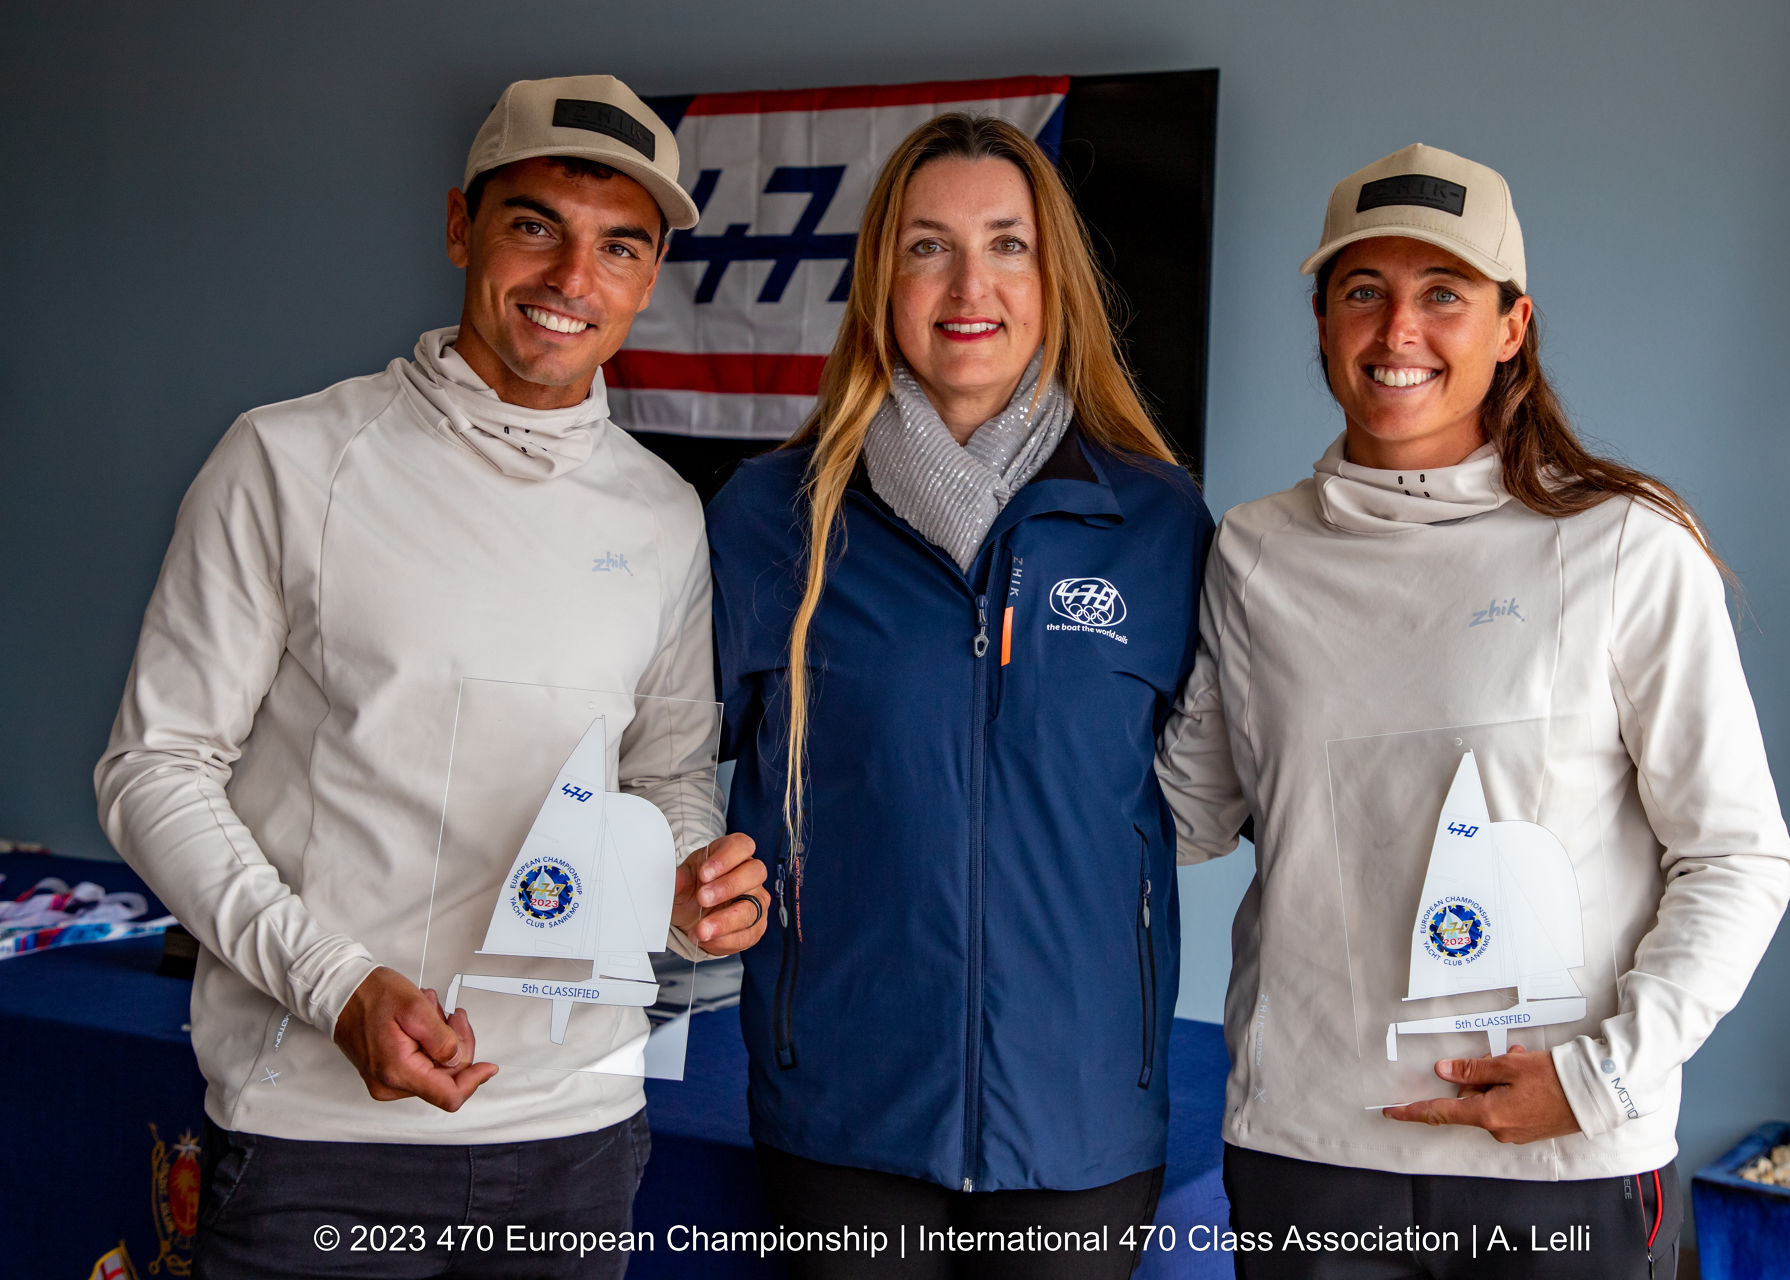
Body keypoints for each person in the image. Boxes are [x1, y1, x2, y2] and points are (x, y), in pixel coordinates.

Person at [94, 74, 769, 1279]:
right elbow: (154, 767)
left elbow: (665, 769)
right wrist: (339, 985)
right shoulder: (291, 460)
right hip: (318, 1133)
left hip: (578, 1134)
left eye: (619, 245)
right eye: (534, 226)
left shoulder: (665, 515)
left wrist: (668, 876)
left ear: (650, 273)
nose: (573, 279)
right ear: (461, 226)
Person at [1156, 143, 1790, 1278]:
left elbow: (1740, 854)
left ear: (1512, 325)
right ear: (1320, 319)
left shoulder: (1625, 547)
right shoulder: (1256, 552)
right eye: (1364, 291)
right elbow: (1187, 810)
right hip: (1310, 1151)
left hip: (1562, 1158)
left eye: (1442, 294)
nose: (1398, 331)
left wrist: (1603, 1073)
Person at [706, 113, 1214, 1278]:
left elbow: (1215, 782)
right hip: (842, 1110)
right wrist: (691, 866)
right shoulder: (770, 518)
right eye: (928, 246)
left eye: (1007, 244)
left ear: (1053, 280)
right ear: (882, 279)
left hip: (1081, 1119)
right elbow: (672, 766)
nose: (968, 283)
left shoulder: (1157, 523)